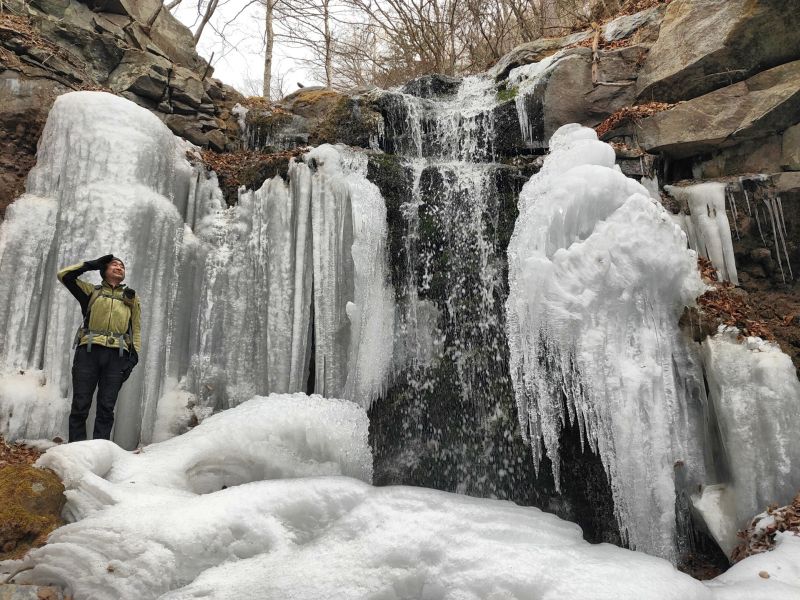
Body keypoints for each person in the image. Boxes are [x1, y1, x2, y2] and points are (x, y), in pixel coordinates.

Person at [57, 255, 141, 442]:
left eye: (122, 266)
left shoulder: (131, 298)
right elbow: (64, 275)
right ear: (104, 270)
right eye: (114, 264)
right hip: (88, 352)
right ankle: (77, 451)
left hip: (117, 357)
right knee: (80, 404)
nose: (119, 267)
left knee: (106, 407)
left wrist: (133, 357)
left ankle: (99, 453)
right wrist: (92, 265)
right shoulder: (90, 291)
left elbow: (136, 329)